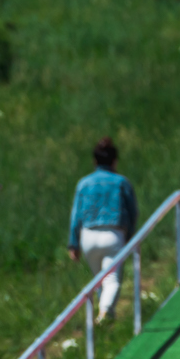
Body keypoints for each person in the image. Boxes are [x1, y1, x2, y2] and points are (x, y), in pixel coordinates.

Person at [67, 138, 138, 324]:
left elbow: (76, 216)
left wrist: (73, 244)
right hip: (113, 234)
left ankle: (105, 318)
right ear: (114, 161)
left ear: (94, 161)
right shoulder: (122, 182)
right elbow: (132, 212)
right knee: (112, 279)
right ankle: (105, 313)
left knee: (100, 279)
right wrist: (130, 237)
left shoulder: (83, 184)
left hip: (88, 236)